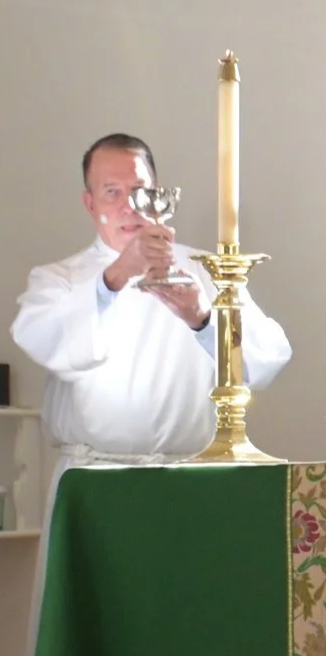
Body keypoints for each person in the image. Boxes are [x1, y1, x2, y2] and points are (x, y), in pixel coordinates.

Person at [11, 133, 293, 468]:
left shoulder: (207, 271)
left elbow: (268, 360)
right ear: (90, 203)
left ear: (159, 195)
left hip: (187, 472)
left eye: (139, 190)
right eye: (111, 192)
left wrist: (203, 319)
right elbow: (42, 338)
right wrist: (114, 278)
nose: (129, 206)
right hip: (96, 473)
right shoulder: (60, 279)